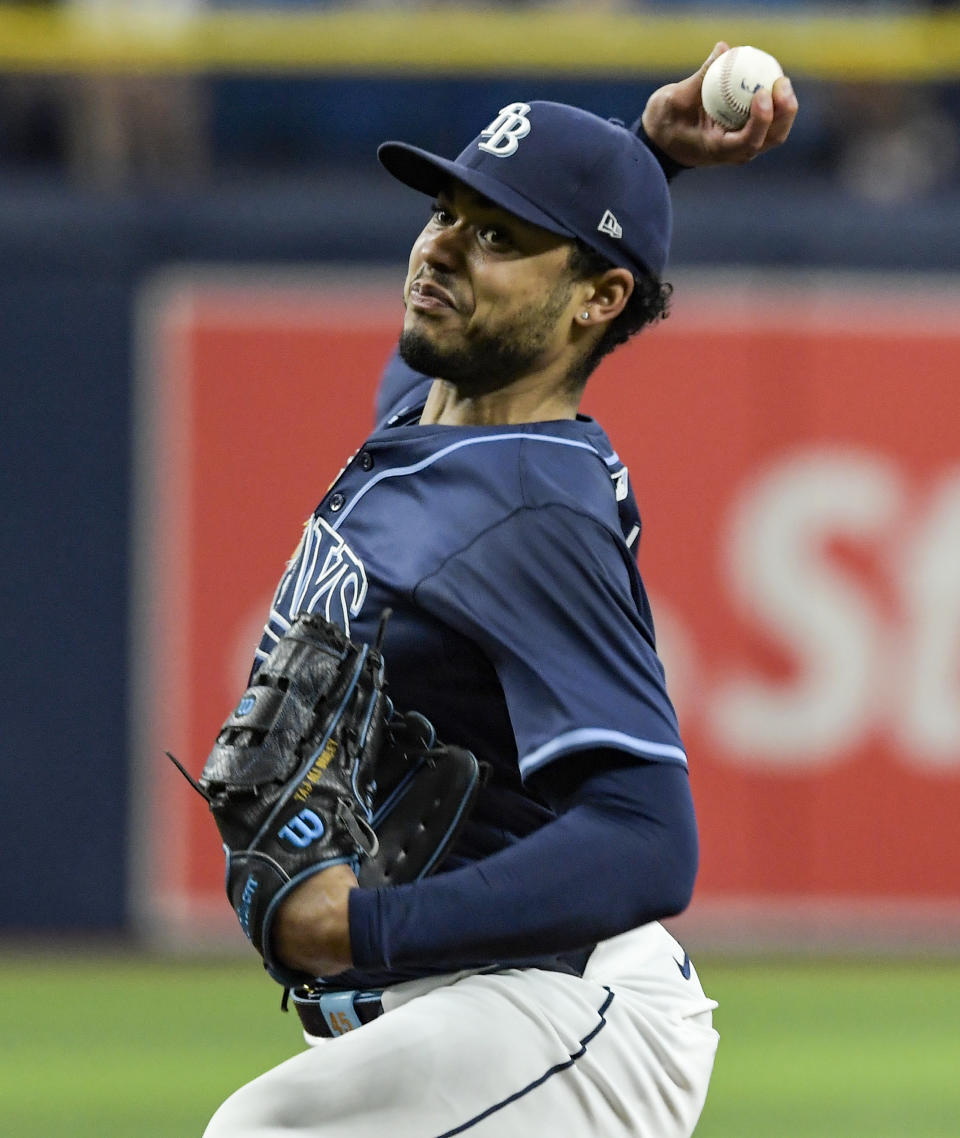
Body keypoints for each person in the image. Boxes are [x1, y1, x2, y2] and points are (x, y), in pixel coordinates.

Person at [203, 43, 797, 1138]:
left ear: (597, 300)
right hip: (480, 1015)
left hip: (567, 1013)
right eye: (446, 209)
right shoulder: (433, 419)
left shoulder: (534, 512)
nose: (440, 248)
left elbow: (646, 835)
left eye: (496, 236)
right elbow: (503, 320)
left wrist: (367, 926)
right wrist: (643, 158)